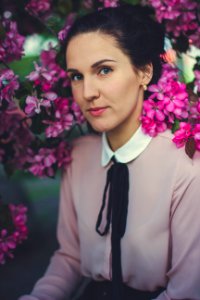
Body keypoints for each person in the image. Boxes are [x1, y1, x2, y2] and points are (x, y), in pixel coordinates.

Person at [19, 4, 200, 300]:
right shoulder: (78, 157)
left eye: (104, 70)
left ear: (144, 72)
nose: (88, 92)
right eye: (77, 76)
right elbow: (70, 257)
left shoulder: (186, 168)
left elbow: (186, 292)